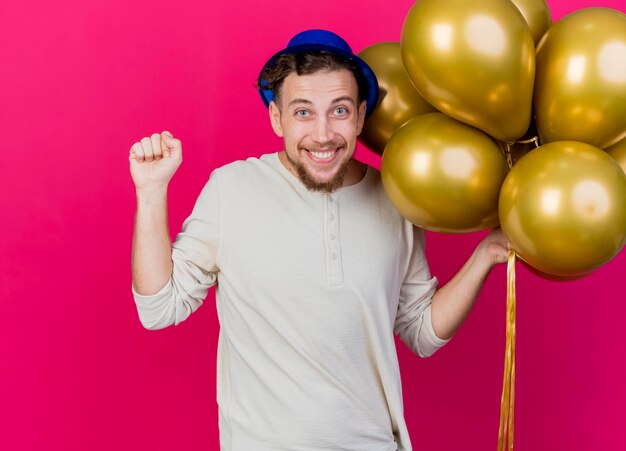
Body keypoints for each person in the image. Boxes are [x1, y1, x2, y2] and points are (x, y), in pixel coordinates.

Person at [129, 29, 510, 451]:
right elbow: (159, 307)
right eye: (304, 112)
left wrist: (484, 256)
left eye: (340, 110)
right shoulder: (232, 190)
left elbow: (420, 330)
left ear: (362, 116)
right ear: (277, 118)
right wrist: (151, 192)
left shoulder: (396, 197)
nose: (324, 134)